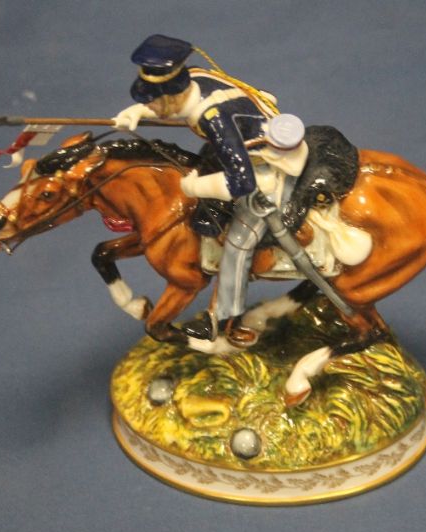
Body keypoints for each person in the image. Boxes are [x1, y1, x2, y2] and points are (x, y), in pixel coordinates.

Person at [113, 34, 308, 347]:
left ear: (173, 97)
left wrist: (195, 186)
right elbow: (175, 109)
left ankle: (222, 317)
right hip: (239, 149)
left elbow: (242, 182)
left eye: (153, 102)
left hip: (271, 165)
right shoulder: (196, 77)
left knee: (240, 242)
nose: (151, 106)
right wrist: (139, 112)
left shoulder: (213, 119)